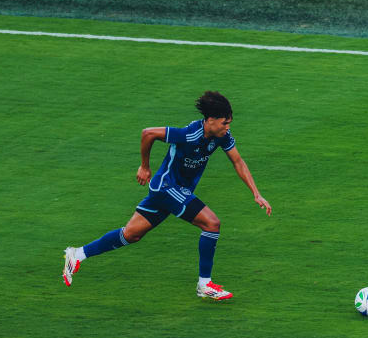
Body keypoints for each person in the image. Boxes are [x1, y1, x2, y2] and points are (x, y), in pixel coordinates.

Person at [62, 92, 269, 301]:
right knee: (212, 223)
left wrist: (256, 194)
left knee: (131, 234)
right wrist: (144, 166)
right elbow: (148, 133)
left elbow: (238, 162)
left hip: (175, 191)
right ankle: (204, 284)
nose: (228, 128)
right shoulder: (189, 134)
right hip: (166, 188)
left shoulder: (221, 137)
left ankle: (77, 254)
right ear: (211, 120)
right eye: (225, 123)